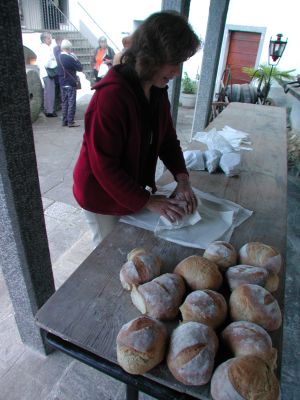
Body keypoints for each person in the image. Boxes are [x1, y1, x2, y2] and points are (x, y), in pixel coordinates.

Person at [73, 11, 200, 247]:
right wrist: (148, 201)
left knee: (134, 248)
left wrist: (182, 179)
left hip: (128, 188)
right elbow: (104, 167)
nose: (177, 71)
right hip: (100, 194)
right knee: (110, 252)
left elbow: (168, 140)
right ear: (152, 57)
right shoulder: (111, 97)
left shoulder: (157, 89)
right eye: (174, 63)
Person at [58, 39, 83, 128]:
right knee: (71, 102)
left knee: (64, 102)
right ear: (69, 48)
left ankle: (64, 121)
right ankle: (71, 121)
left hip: (62, 82)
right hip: (70, 82)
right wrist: (76, 58)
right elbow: (80, 68)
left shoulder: (59, 56)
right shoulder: (69, 58)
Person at [36, 32, 57, 117]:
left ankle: (47, 109)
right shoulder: (45, 48)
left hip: (44, 72)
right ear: (44, 39)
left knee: (47, 92)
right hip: (48, 72)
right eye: (49, 38)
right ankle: (49, 111)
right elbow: (47, 63)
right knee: (50, 92)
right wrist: (56, 62)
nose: (50, 39)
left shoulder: (42, 48)